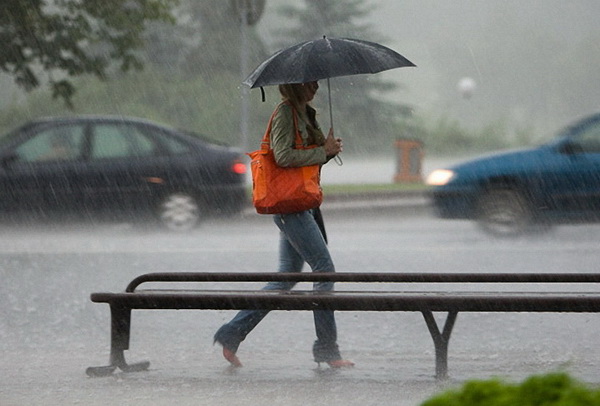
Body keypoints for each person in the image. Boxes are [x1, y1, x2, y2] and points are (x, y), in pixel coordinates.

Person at [213, 81, 354, 369]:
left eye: (316, 81)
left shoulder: (306, 113)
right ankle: (327, 349)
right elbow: (282, 156)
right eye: (309, 83)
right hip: (291, 207)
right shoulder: (285, 113)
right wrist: (321, 152)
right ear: (295, 84)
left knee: (286, 277)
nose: (315, 86)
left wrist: (328, 152)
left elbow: (305, 162)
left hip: (303, 203)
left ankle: (232, 333)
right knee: (324, 271)